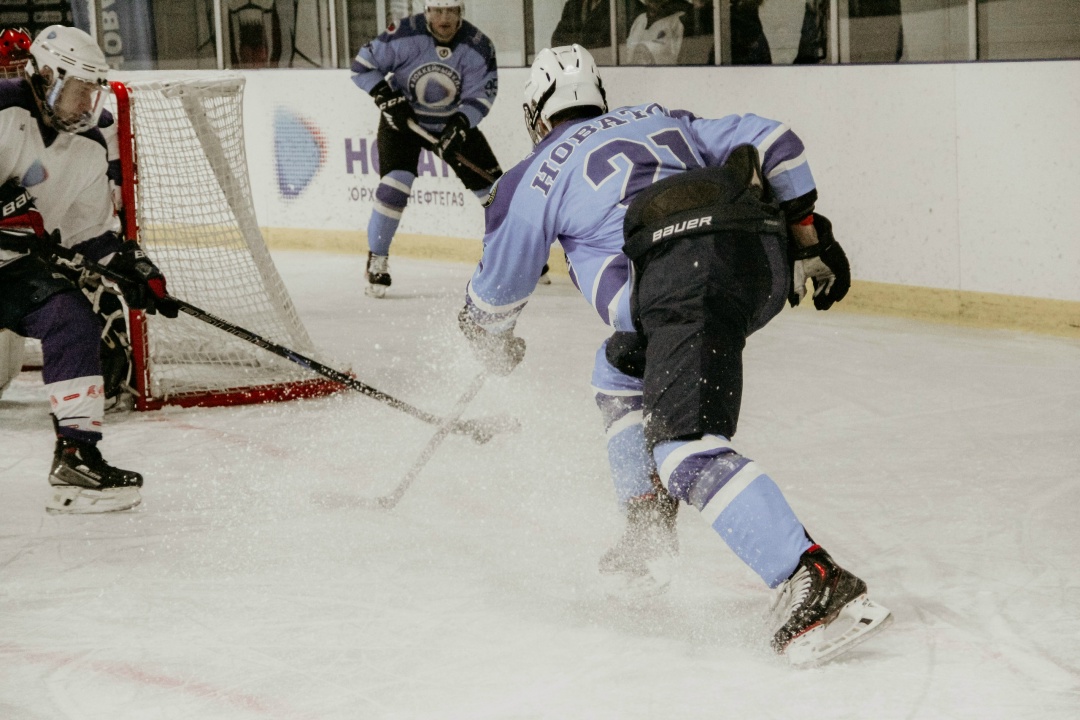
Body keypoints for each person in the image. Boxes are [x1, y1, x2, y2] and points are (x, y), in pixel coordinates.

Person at [456, 44, 891, 665]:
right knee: (618, 368)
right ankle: (646, 529)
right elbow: (776, 139)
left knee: (684, 442)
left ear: (536, 114)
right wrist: (808, 233)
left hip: (681, 282)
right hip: (752, 262)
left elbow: (496, 296)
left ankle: (810, 577)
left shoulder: (535, 173)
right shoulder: (661, 116)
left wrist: (486, 338)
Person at [0, 25, 177, 514]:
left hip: (11, 270)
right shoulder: (1, 107)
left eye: (93, 91)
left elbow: (88, 233)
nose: (87, 104)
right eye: (79, 90)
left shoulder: (91, 146)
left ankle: (77, 458)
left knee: (71, 319)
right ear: (45, 75)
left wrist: (133, 269)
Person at [350, 0, 503, 298]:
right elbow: (362, 66)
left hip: (453, 125)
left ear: (461, 12)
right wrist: (386, 97)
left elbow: (481, 95)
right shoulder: (404, 34)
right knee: (395, 185)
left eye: (451, 11)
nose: (443, 18)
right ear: (426, 10)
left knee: (496, 193)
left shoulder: (478, 46)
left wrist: (460, 125)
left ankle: (521, 256)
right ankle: (377, 260)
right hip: (403, 124)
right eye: (437, 10)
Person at [626, 0, 690, 65]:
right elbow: (629, 53)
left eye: (657, 2)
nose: (652, 5)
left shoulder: (675, 22)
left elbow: (673, 57)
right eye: (649, 1)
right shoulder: (640, 19)